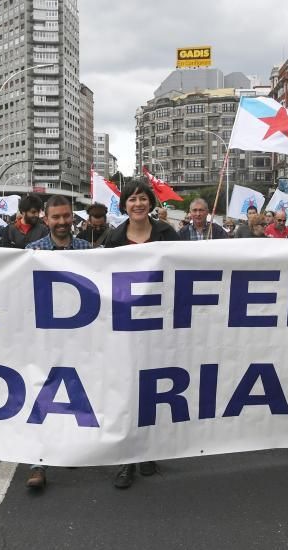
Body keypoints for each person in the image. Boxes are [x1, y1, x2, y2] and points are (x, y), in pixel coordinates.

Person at [103, 178, 178, 488]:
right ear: (124, 205)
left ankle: (148, 450)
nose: (137, 203)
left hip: (160, 326)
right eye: (132, 199)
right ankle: (127, 460)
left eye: (143, 198)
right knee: (126, 392)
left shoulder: (168, 234)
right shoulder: (112, 238)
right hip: (125, 327)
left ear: (151, 202)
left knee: (153, 390)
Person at [22, 195, 93, 490]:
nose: (62, 222)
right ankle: (38, 462)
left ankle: (71, 449)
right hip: (45, 339)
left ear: (72, 217)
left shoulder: (90, 251)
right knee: (41, 398)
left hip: (81, 338)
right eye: (56, 217)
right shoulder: (31, 252)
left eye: (66, 216)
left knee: (79, 396)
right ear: (46, 219)